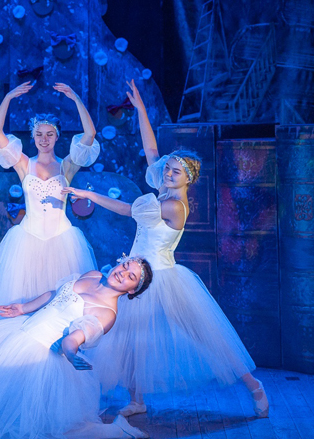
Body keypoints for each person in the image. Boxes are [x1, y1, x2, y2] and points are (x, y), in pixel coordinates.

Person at [62, 79, 269, 418]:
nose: (169, 174)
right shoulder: (163, 190)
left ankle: (254, 386)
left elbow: (128, 210)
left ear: (189, 179)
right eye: (169, 170)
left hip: (162, 277)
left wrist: (90, 195)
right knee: (129, 339)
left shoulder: (173, 206)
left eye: (176, 172)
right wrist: (141, 109)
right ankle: (137, 400)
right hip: (137, 274)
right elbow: (152, 151)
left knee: (205, 336)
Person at [0, 257, 154, 439]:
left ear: (132, 290)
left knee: (35, 426)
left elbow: (74, 338)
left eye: (131, 276)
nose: (122, 273)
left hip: (40, 353)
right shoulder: (94, 275)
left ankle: (119, 432)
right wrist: (23, 308)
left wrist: (70, 352)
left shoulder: (107, 313)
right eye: (125, 266)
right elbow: (56, 294)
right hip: (20, 332)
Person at [0, 81, 100, 318]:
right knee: (23, 303)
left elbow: (90, 134)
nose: (44, 139)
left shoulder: (66, 166)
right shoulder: (24, 164)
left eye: (49, 134)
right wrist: (8, 97)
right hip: (28, 240)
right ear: (33, 137)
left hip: (62, 241)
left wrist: (76, 98)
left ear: (57, 137)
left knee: (62, 307)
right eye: (39, 134)